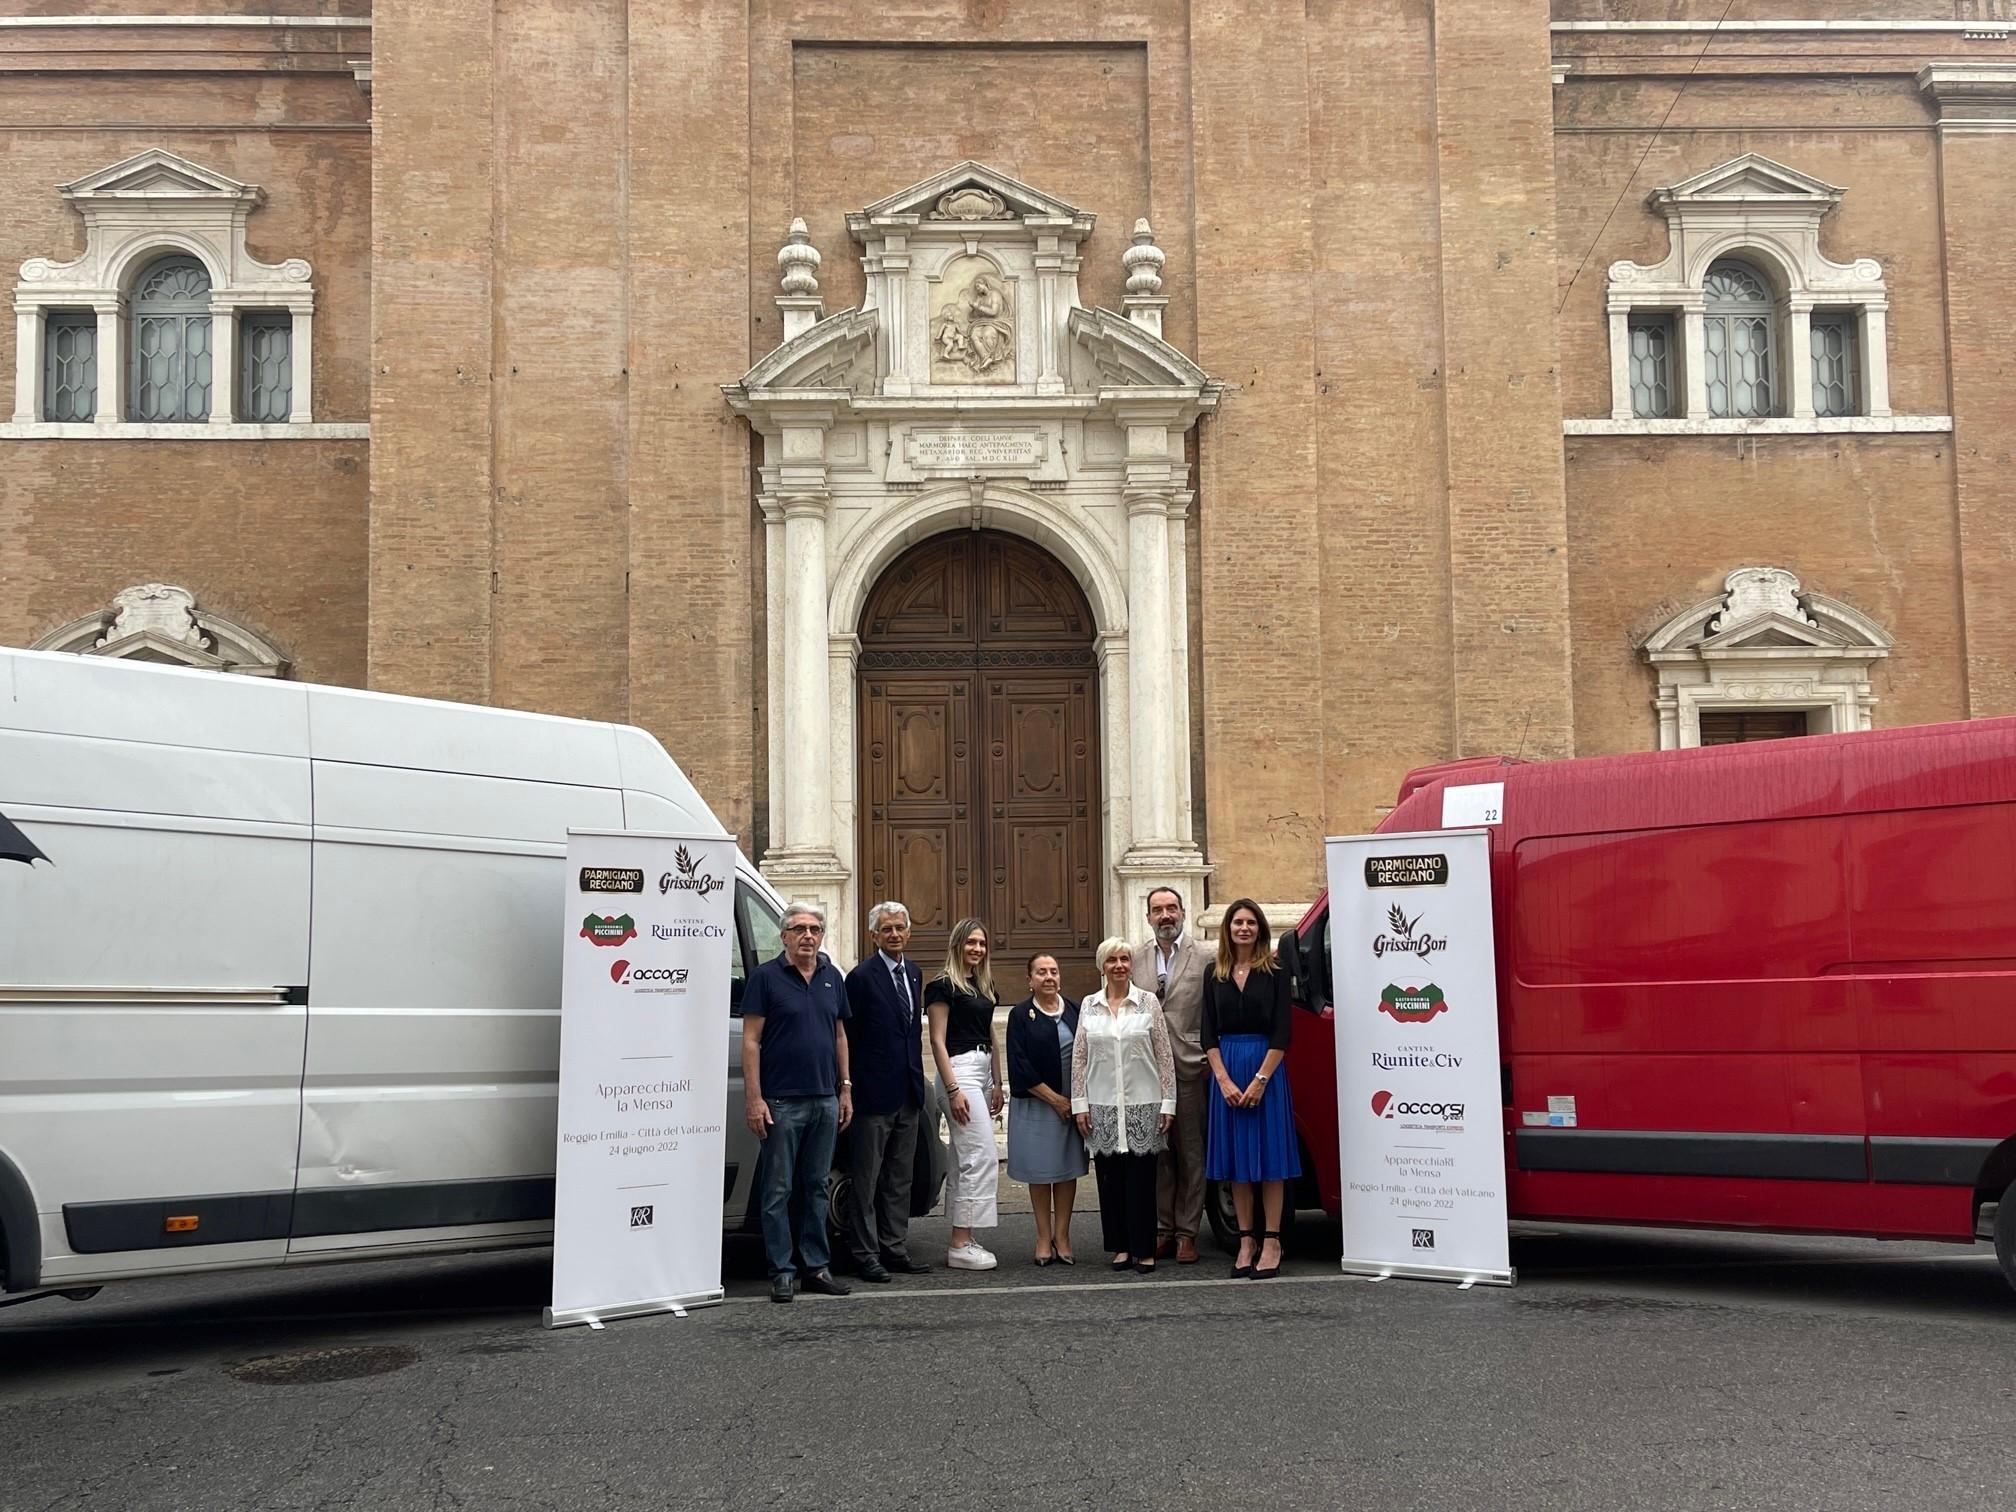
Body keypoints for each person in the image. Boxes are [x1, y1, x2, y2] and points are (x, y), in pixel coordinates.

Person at [741, 901, 854, 1304]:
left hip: (825, 1099)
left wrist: (845, 1088)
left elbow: (840, 1035)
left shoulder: (831, 977)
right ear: (784, 936)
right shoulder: (765, 979)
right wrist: (754, 1099)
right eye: (799, 929)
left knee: (816, 1187)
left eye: (815, 929)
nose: (808, 936)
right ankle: (782, 1270)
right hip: (782, 1102)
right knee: (778, 1190)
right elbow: (751, 1040)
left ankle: (816, 1267)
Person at [1202, 898, 1301, 1281]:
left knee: (1270, 1161)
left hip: (1266, 1069)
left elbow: (1282, 1031)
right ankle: (1246, 1241)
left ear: (1260, 928)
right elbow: (1208, 1033)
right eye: (1237, 922)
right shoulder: (1215, 973)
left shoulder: (1275, 971)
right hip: (1226, 1069)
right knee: (1237, 1165)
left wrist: (1260, 1080)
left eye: (1250, 922)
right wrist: (1223, 1079)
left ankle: (1272, 1240)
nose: (1244, 928)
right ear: (1227, 929)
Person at [1071, 938, 1177, 1274]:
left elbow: (1163, 1054)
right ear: (1102, 966)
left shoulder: (1147, 1003)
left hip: (1142, 1103)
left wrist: (1168, 1103)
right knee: (1109, 1179)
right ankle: (1120, 1246)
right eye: (1112, 960)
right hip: (1102, 1103)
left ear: (1131, 965)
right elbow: (1079, 1058)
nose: (1119, 965)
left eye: (1125, 959)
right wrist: (1080, 1104)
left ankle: (1144, 1249)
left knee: (1142, 1180)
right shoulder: (1089, 1005)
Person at [841, 901, 932, 1282]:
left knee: (900, 1178)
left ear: (908, 933)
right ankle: (864, 1253)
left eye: (900, 928)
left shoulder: (914, 973)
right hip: (872, 1094)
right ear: (873, 935)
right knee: (867, 1179)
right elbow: (849, 1035)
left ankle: (895, 1247)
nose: (894, 934)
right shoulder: (860, 978)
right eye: (887, 929)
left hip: (908, 1093)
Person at [926, 917, 1005, 1270]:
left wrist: (998, 1083)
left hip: (981, 1072)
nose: (977, 948)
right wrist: (954, 1088)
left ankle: (963, 1236)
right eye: (971, 942)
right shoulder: (943, 986)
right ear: (958, 944)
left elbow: (992, 1038)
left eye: (982, 943)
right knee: (982, 1154)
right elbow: (937, 1041)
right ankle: (960, 1244)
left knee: (964, 1158)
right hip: (957, 1071)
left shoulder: (983, 986)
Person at [1137, 886, 1207, 1264]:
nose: (1165, 915)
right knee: (1160, 1154)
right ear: (1148, 917)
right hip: (1147, 1071)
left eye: (1171, 908)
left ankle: (1187, 1234)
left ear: (1183, 911)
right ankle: (1163, 1229)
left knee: (1192, 1153)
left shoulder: (1206, 957)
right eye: (1157, 910)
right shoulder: (1134, 959)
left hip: (1191, 1066)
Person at [1004, 953, 1086, 1266]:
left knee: (1066, 1172)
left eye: (1053, 971)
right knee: (1040, 1173)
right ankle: (1042, 1237)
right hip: (1038, 1105)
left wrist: (1074, 1102)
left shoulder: (1076, 1010)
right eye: (1041, 972)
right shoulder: (1021, 1015)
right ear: (1030, 980)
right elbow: (1019, 1064)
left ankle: (1062, 1236)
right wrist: (1055, 1100)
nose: (1049, 977)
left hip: (1071, 1104)